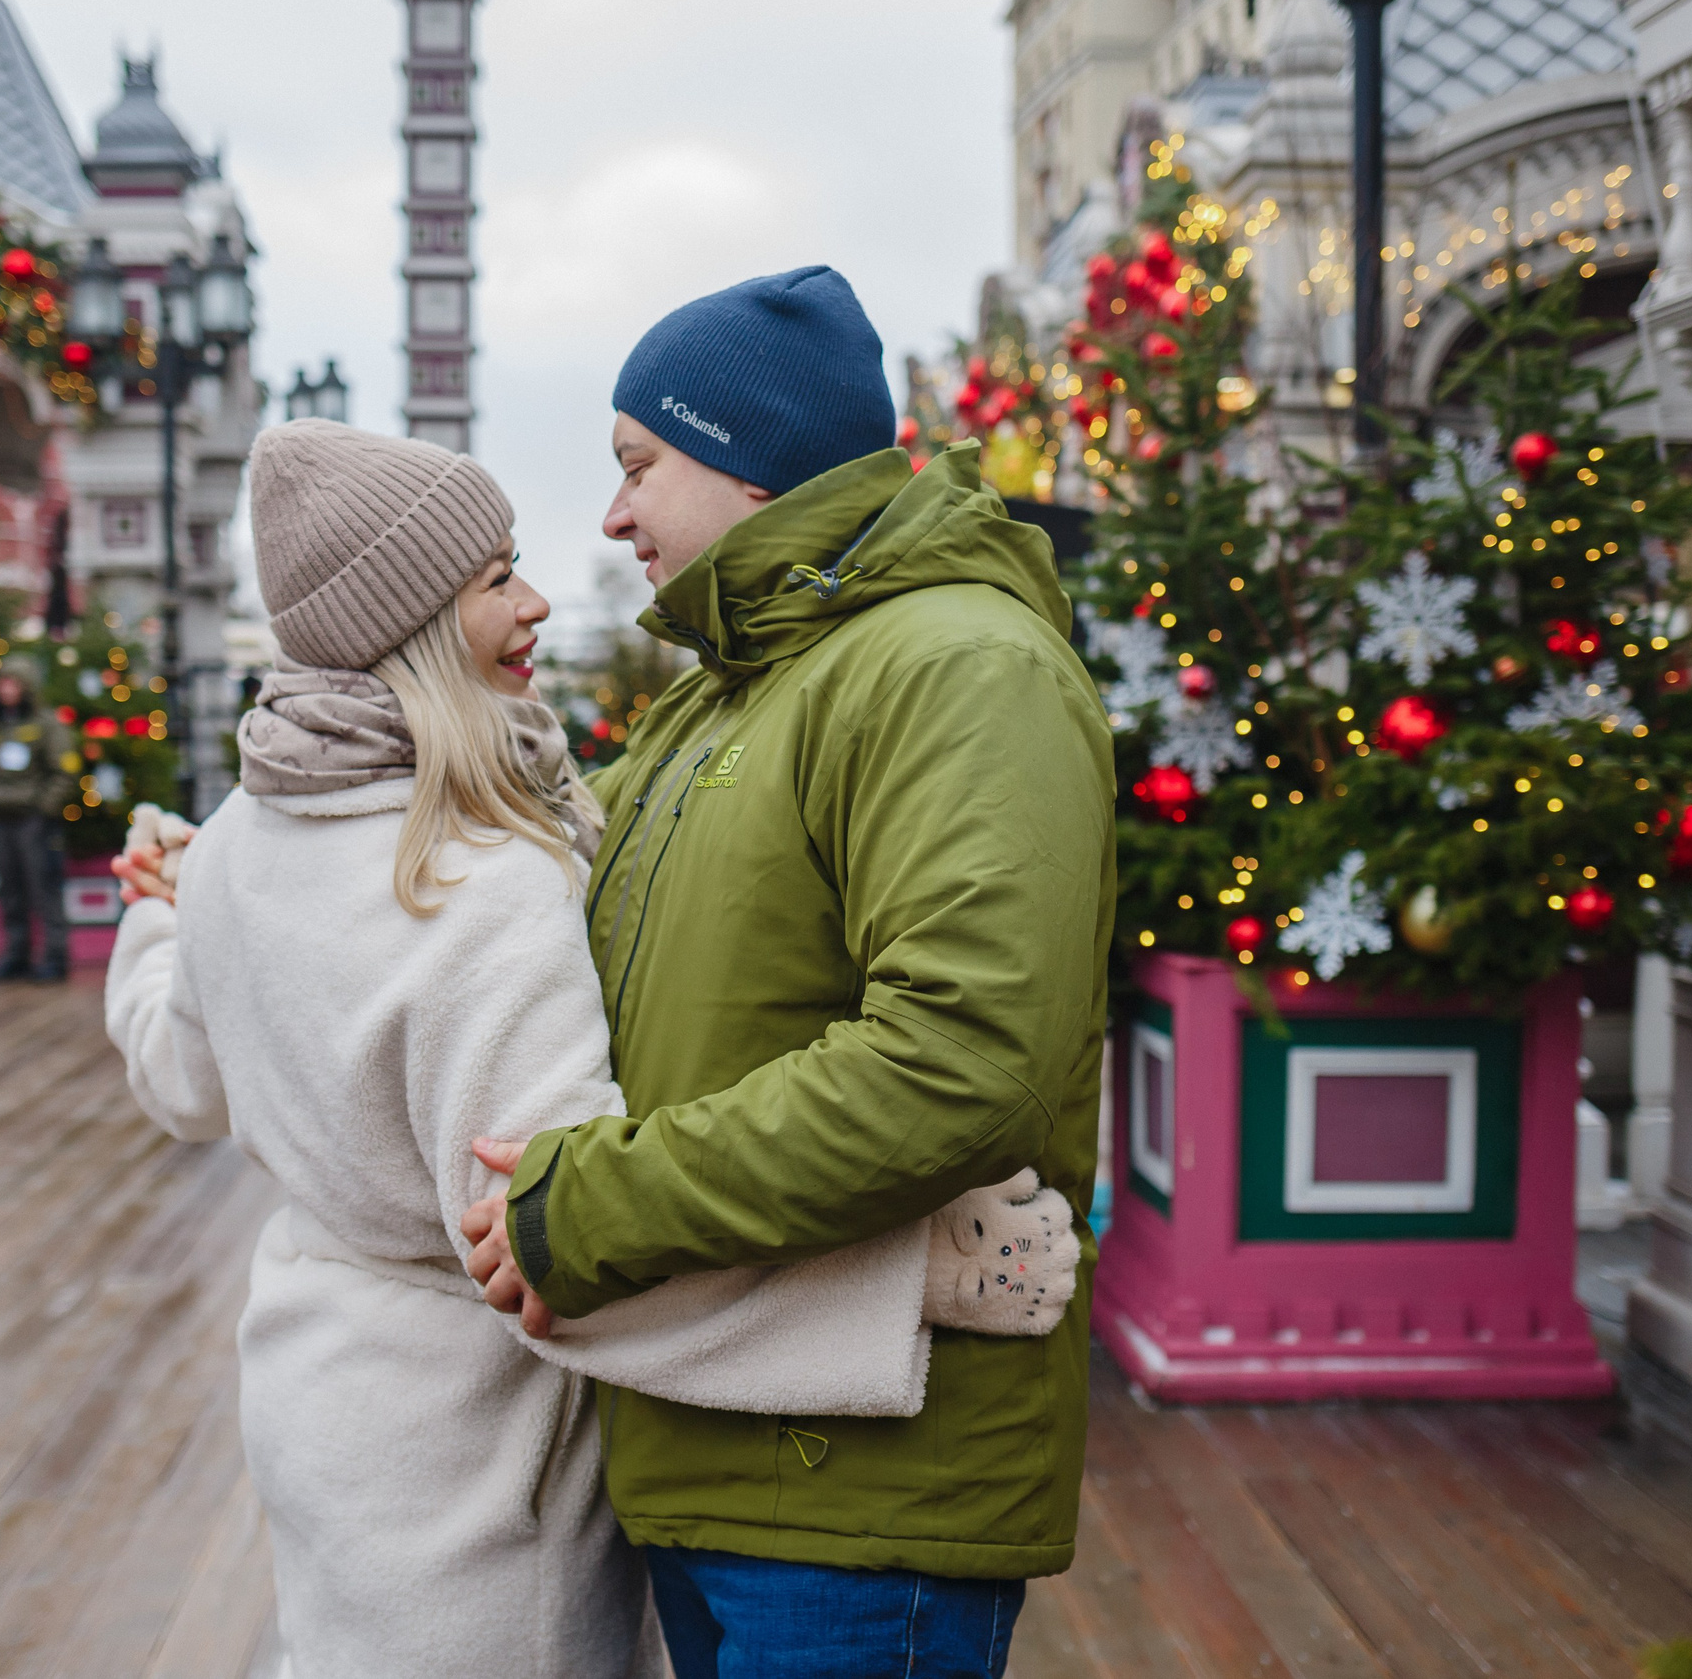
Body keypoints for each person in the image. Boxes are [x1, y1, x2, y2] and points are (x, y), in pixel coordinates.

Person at [100, 419, 1081, 1679]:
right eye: (495, 578)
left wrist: (149, 920)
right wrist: (918, 1284)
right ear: (407, 620)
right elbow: (551, 1250)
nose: (540, 600)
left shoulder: (236, 841)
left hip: (319, 1403)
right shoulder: (473, 881)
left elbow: (178, 1079)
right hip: (472, 1472)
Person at [459, 266, 1117, 1679]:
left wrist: (590, 1202)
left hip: (860, 1494)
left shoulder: (958, 669)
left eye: (640, 465)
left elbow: (957, 1064)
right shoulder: (733, 688)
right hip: (722, 1437)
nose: (614, 514)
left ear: (749, 464)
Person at [0, 653, 76, 983]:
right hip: (0, 817)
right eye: (2, 682)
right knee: (10, 888)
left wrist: (44, 807)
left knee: (42, 887)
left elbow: (64, 771)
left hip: (33, 820)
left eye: (13, 683)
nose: (6, 690)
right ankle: (17, 954)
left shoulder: (46, 725)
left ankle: (55, 956)